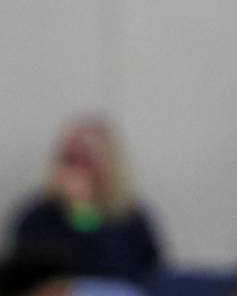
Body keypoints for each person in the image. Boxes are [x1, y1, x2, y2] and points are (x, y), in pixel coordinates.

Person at [8, 120, 161, 287]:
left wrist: (84, 212)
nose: (77, 170)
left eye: (86, 159)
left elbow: (128, 267)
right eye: (70, 159)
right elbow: (32, 269)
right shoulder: (38, 215)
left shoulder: (130, 216)